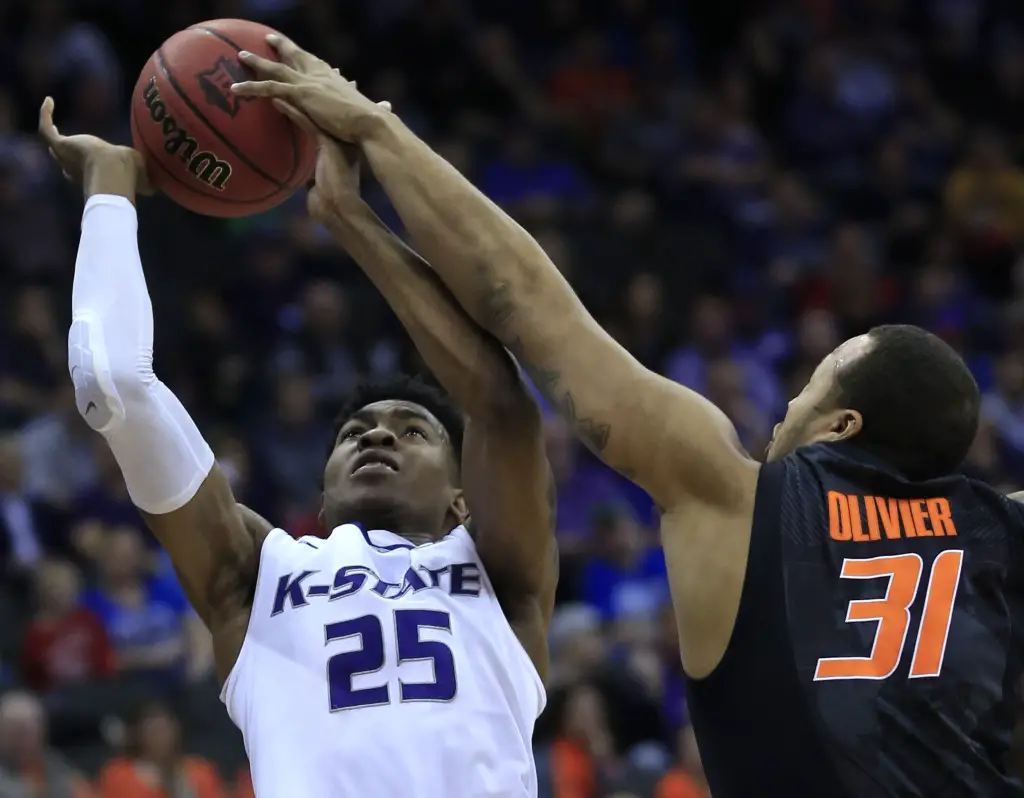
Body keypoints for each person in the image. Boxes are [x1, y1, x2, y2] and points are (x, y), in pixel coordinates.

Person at [233, 36, 1024, 797]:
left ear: (841, 427)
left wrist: (374, 127)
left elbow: (525, 301)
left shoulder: (738, 500)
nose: (785, 405)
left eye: (811, 388)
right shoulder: (1004, 531)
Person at [39, 94, 557, 798]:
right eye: (353, 432)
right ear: (322, 490)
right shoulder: (260, 574)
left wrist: (352, 220)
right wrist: (108, 190)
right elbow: (114, 385)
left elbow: (503, 403)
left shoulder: (498, 572)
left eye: (414, 430)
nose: (376, 433)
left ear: (462, 499)